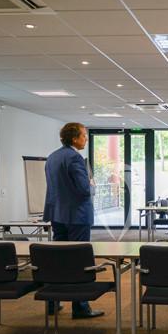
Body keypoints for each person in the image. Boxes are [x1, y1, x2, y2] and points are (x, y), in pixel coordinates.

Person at [43, 122, 103, 319]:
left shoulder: (52, 157)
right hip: (76, 216)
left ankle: (52, 301)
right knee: (79, 260)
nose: (85, 139)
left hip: (56, 214)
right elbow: (84, 190)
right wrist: (93, 185)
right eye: (84, 135)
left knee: (57, 259)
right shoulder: (75, 158)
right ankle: (80, 307)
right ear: (74, 138)